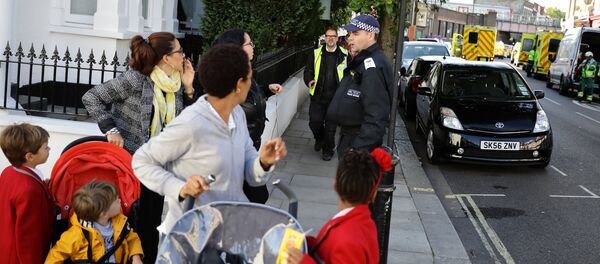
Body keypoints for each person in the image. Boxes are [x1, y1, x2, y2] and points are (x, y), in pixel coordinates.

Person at [132, 44, 288, 235]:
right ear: (239, 85)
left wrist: (263, 163)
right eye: (249, 77)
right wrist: (180, 189)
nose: (252, 83)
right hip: (192, 240)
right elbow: (141, 161)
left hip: (230, 231)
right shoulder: (191, 123)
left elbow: (250, 175)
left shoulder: (237, 114)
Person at [82, 31, 196, 263]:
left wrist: (190, 88)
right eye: (180, 52)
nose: (184, 56)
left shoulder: (176, 85)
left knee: (152, 224)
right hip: (132, 163)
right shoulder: (137, 80)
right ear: (166, 57)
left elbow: (189, 121)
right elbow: (92, 97)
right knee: (133, 221)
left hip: (160, 165)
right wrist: (111, 130)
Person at [211, 29, 283, 203]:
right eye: (249, 43)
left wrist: (266, 90)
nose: (253, 46)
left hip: (249, 149)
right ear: (238, 48)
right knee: (256, 197)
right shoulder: (227, 80)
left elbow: (250, 98)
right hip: (233, 156)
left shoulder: (245, 72)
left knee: (256, 198)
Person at [283, 148, 391, 264]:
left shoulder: (348, 240)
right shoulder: (362, 223)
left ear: (335, 185)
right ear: (373, 194)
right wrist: (308, 245)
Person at [326, 14, 393, 156]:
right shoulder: (364, 60)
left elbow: (376, 118)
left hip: (357, 145)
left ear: (370, 35)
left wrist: (356, 151)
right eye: (350, 33)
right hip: (350, 138)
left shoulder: (372, 67)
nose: (350, 38)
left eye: (355, 33)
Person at [45, 181, 143, 264]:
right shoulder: (77, 234)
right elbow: (56, 254)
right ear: (104, 214)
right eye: (116, 200)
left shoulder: (120, 222)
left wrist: (136, 256)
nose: (120, 200)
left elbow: (132, 239)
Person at [0, 123, 55, 264]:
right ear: (30, 156)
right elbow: (29, 237)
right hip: (20, 258)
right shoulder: (29, 189)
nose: (49, 149)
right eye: (45, 147)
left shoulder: (8, 171)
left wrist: (43, 187)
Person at [304, 27, 348, 161]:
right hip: (318, 96)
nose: (330, 38)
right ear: (324, 37)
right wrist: (309, 80)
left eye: (333, 36)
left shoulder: (344, 54)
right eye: (328, 36)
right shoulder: (316, 53)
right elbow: (308, 71)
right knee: (314, 122)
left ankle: (328, 150)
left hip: (335, 98)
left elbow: (349, 74)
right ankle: (320, 139)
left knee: (331, 128)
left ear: (337, 38)